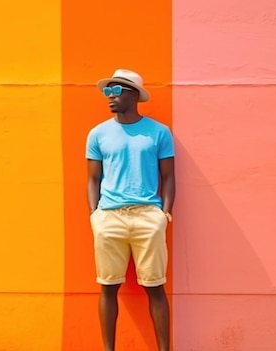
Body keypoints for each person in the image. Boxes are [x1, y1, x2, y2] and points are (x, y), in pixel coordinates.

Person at [86, 69, 175, 351]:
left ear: (133, 95)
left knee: (155, 286)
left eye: (116, 91)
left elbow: (169, 176)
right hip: (109, 216)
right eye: (107, 91)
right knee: (108, 286)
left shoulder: (159, 132)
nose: (110, 97)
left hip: (148, 215)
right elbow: (92, 178)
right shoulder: (98, 133)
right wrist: (95, 215)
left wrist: (165, 214)